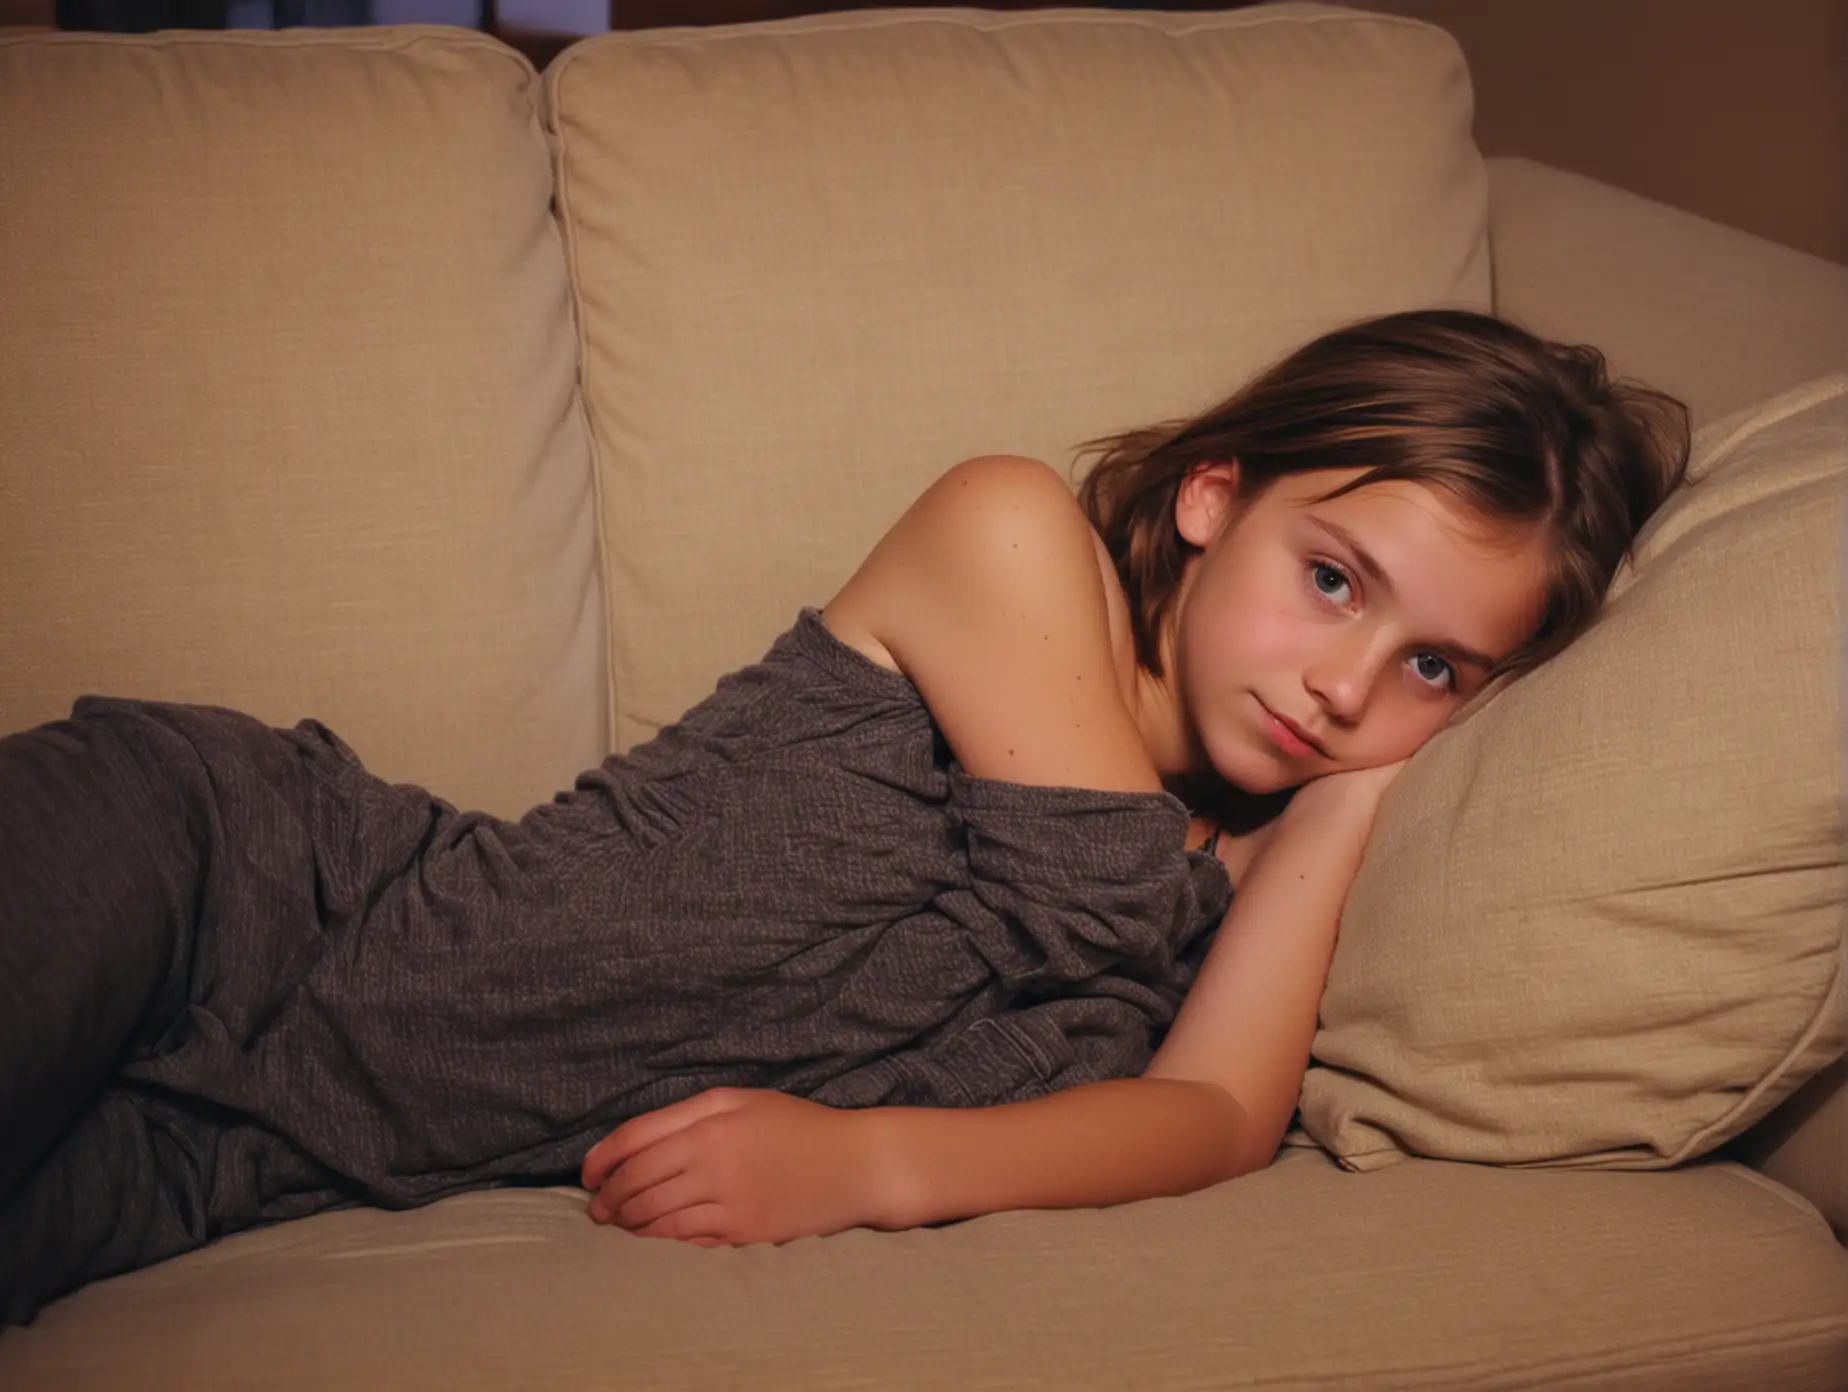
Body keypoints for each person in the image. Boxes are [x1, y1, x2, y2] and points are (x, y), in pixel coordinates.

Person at [0, 308, 1689, 1320]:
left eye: (1434, 670)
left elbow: (1215, 1126)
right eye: (1332, 581)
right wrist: (1290, 846)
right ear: (1209, 495)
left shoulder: (1268, 835)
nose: (1345, 688)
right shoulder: (1011, 540)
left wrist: (1337, 822)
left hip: (258, 1151)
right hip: (231, 879)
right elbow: (1110, 932)